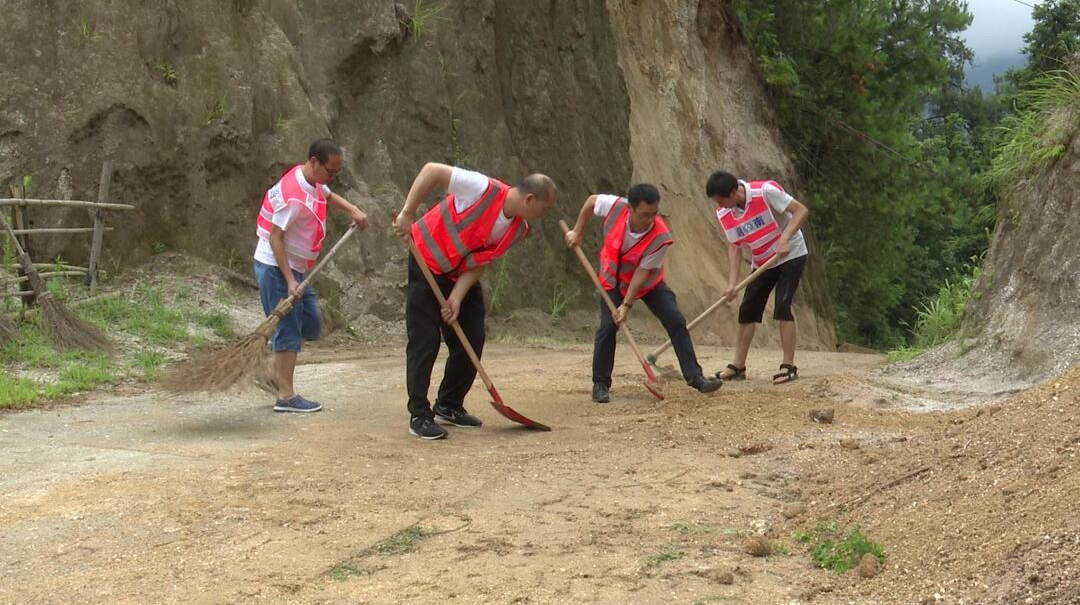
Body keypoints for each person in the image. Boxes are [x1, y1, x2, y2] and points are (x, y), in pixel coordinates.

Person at [392, 163, 557, 440]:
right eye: (545, 208)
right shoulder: (481, 188)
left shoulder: (517, 229)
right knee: (425, 339)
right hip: (426, 258)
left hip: (458, 273)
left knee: (473, 335)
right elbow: (432, 170)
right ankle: (419, 415)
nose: (545, 215)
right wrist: (408, 214)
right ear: (530, 199)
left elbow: (482, 260)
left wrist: (456, 296)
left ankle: (448, 403)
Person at [564, 184, 722, 403]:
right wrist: (577, 232)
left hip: (648, 283)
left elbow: (642, 273)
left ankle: (695, 377)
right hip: (612, 281)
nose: (649, 220)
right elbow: (591, 201)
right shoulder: (615, 207)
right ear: (630, 208)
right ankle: (600, 384)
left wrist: (626, 305)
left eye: (654, 214)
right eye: (644, 214)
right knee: (608, 326)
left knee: (675, 320)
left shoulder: (660, 236)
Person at [252, 139, 369, 412]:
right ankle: (286, 396)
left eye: (338, 172)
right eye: (331, 171)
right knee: (288, 327)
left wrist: (352, 208)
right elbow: (275, 238)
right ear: (314, 162)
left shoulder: (311, 179)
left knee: (312, 322)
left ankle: (273, 372)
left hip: (296, 267)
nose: (333, 178)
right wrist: (290, 280)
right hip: (276, 268)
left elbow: (326, 193)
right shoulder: (292, 195)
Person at [705, 171, 810, 384]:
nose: (721, 205)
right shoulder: (726, 213)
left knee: (783, 305)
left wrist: (785, 237)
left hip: (791, 254)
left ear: (734, 191)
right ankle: (738, 366)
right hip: (763, 262)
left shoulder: (765, 192)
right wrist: (732, 283)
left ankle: (788, 365)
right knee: (747, 310)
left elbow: (801, 210)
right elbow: (735, 247)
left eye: (722, 200)